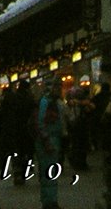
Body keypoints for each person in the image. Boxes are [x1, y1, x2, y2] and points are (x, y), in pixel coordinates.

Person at [34, 77, 66, 209]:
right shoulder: (47, 102)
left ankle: (49, 199)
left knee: (49, 171)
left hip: (51, 139)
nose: (59, 89)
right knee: (50, 172)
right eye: (57, 87)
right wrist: (47, 139)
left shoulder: (52, 102)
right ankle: (50, 201)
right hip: (48, 140)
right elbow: (41, 122)